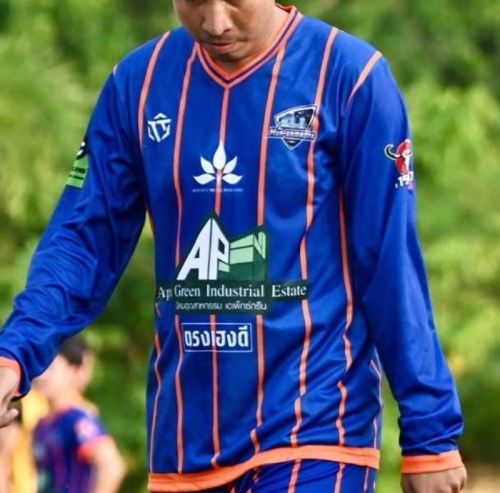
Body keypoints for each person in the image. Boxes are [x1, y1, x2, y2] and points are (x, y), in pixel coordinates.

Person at [0, 0, 467, 491]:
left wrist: (430, 433)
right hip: (184, 448)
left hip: (315, 434)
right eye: (195, 1)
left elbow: (389, 262)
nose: (216, 22)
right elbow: (82, 242)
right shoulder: (137, 85)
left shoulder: (350, 78)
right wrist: (13, 355)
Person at [31, 335, 126, 493]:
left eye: (51, 368)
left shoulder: (77, 420)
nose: (42, 375)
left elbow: (112, 466)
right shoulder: (42, 424)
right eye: (39, 366)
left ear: (73, 370)